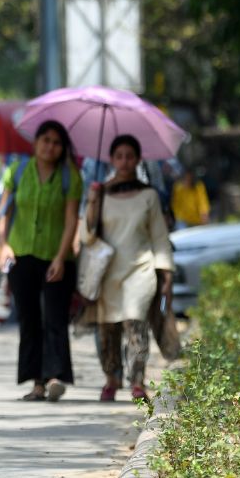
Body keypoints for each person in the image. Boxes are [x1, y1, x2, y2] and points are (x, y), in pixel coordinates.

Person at [82, 135, 174, 401]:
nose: (124, 161)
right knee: (107, 330)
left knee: (136, 326)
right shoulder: (100, 193)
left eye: (129, 156)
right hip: (107, 273)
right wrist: (91, 201)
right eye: (119, 156)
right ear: (111, 159)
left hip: (140, 271)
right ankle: (111, 378)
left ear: (138, 160)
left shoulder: (149, 196)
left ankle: (137, 381)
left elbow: (159, 236)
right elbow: (87, 235)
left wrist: (166, 273)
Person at [0, 120, 83, 402]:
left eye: (56, 142)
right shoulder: (18, 170)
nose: (50, 146)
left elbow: (71, 219)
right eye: (45, 140)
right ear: (36, 143)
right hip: (21, 255)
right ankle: (36, 383)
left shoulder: (70, 176)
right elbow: (3, 211)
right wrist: (3, 245)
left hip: (57, 258)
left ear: (63, 148)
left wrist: (61, 256)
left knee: (55, 318)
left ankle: (55, 376)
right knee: (29, 319)